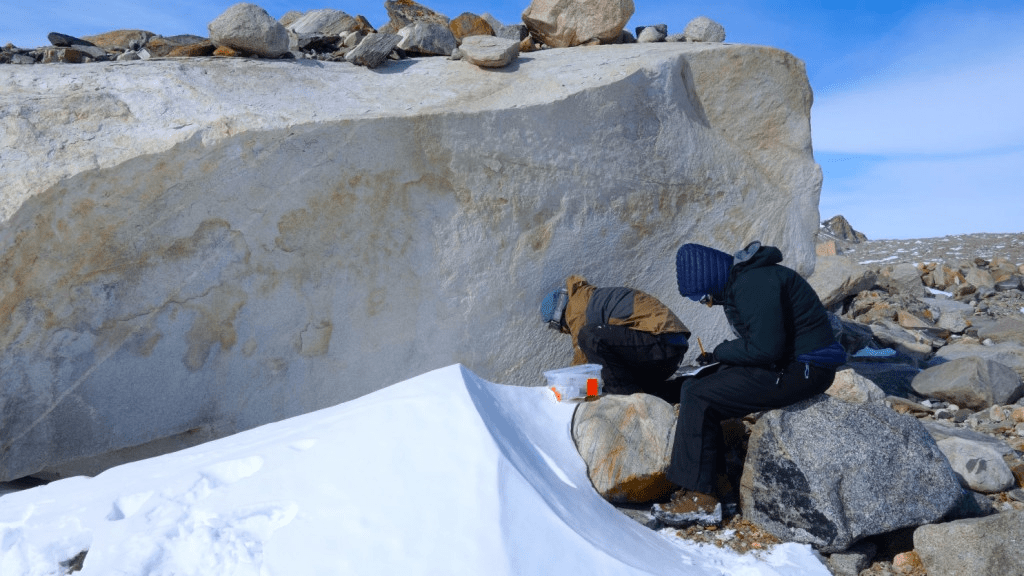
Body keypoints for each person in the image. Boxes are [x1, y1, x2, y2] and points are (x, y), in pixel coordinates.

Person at [653, 241, 846, 526]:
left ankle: (701, 498)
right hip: (795, 364)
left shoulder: (753, 284)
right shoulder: (748, 280)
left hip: (805, 369)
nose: (706, 303)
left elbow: (767, 349)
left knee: (699, 396)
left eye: (703, 296)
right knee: (699, 384)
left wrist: (720, 351)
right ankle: (717, 485)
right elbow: (765, 343)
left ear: (710, 279)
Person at [540, 275, 691, 402]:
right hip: (670, 348)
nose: (561, 331)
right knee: (619, 374)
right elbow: (595, 365)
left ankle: (627, 402)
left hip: (661, 344)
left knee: (589, 336)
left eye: (555, 327)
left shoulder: (576, 309)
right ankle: (686, 389)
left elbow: (584, 366)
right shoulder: (588, 298)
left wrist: (582, 396)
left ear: (558, 317)